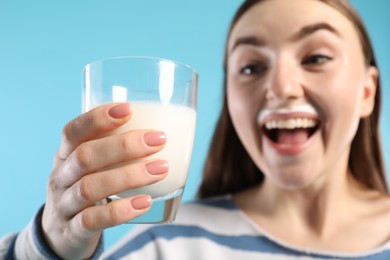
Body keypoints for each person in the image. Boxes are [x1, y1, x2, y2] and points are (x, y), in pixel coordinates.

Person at [1, 0, 390, 259]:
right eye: (251, 67)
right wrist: (45, 248)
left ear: (367, 92)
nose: (281, 88)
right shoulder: (167, 245)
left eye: (316, 57)